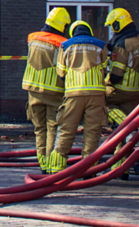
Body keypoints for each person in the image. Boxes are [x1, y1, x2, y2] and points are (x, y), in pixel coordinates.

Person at [46, 20, 107, 173]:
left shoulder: (65, 46)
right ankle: (89, 170)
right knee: (92, 133)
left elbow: (61, 72)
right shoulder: (100, 45)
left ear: (73, 32)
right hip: (96, 94)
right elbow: (105, 68)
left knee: (66, 130)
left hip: (74, 94)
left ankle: (57, 168)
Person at [22, 7, 71, 170]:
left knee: (39, 129)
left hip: (33, 90)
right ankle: (51, 165)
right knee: (52, 129)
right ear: (62, 25)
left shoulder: (32, 38)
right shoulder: (62, 43)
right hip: (53, 91)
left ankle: (42, 164)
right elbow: (62, 68)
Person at [104, 8, 139, 126]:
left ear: (117, 25)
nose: (112, 30)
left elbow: (116, 76)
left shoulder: (122, 45)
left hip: (123, 89)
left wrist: (106, 82)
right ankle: (134, 129)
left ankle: (126, 127)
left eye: (112, 26)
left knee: (98, 100)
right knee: (128, 110)